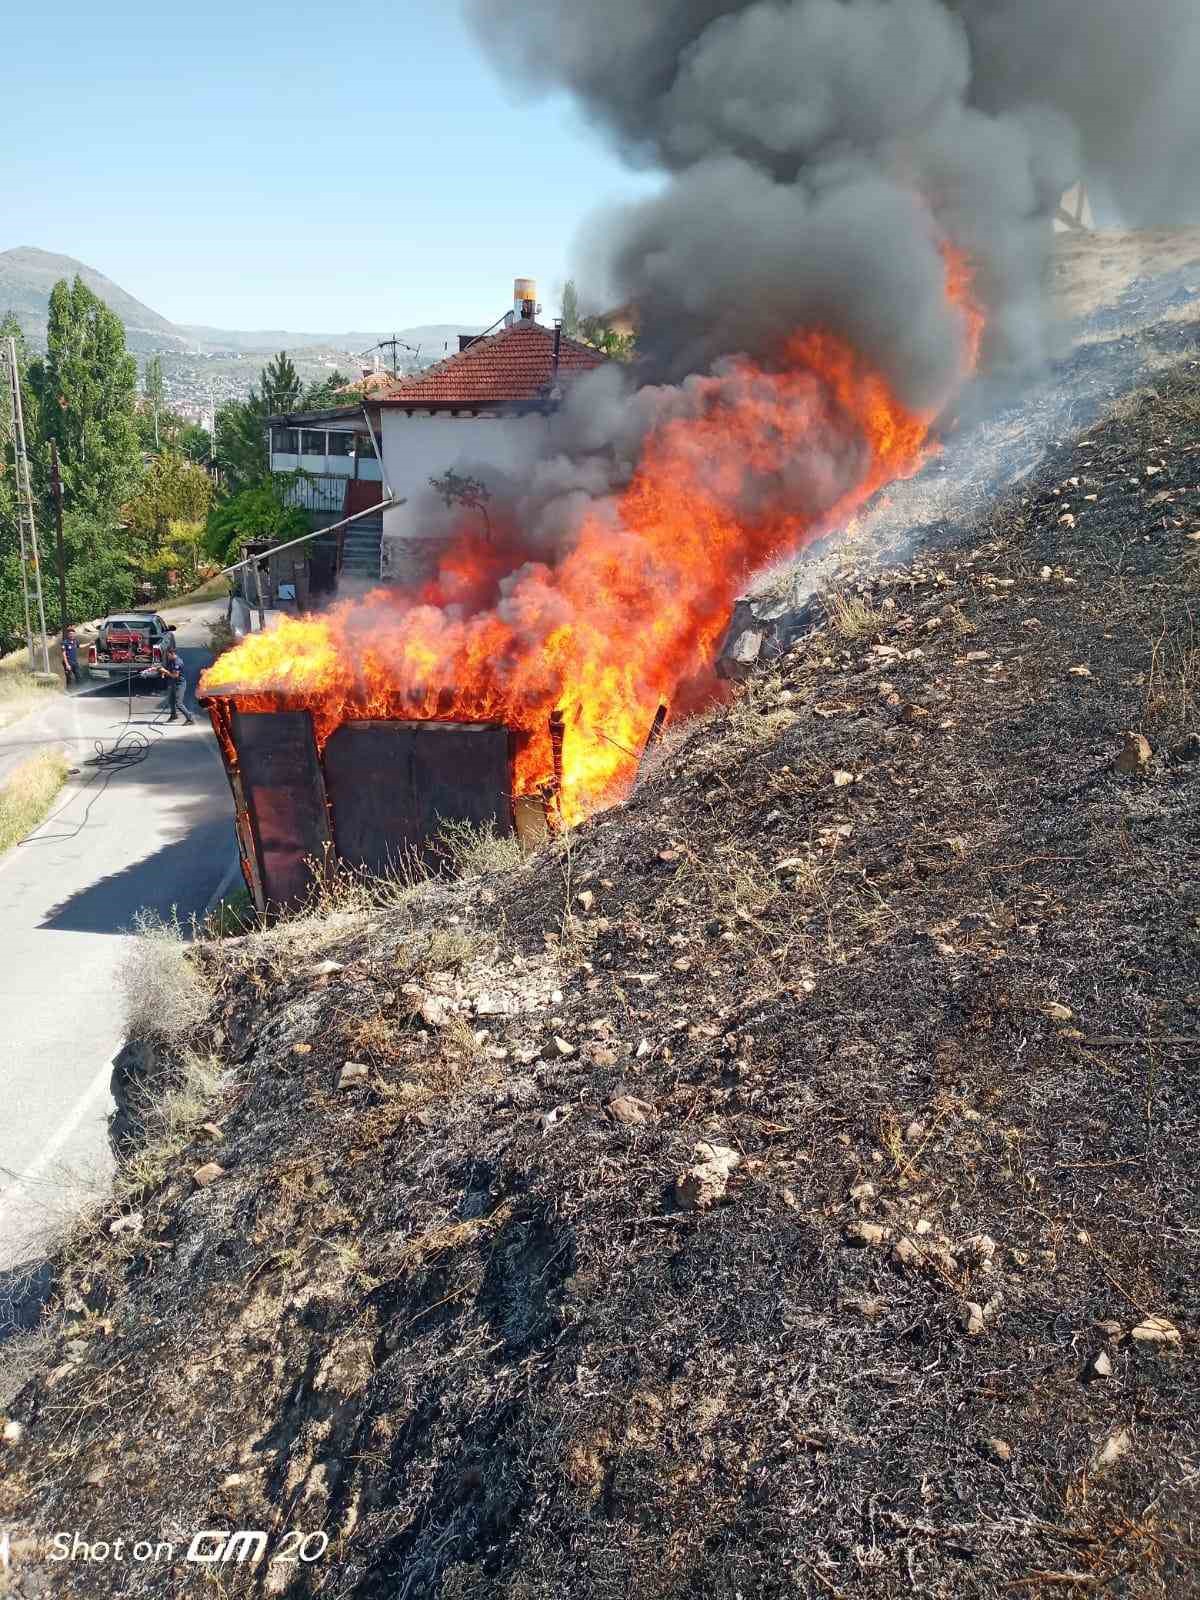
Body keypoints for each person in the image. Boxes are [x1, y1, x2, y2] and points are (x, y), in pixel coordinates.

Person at [142, 638, 194, 725]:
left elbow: (175, 675)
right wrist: (152, 669)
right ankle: (173, 715)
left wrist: (165, 672)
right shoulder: (171, 660)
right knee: (171, 701)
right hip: (173, 683)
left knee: (179, 703)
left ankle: (190, 719)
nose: (167, 656)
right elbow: (164, 668)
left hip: (179, 684)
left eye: (168, 655)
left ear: (172, 653)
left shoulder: (178, 662)